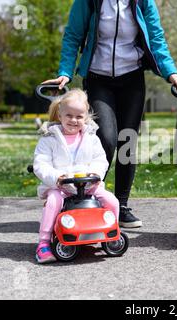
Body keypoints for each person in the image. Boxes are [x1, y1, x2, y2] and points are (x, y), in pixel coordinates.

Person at [42, 0, 177, 228]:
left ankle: (121, 206)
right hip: (98, 78)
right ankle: (84, 197)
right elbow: (72, 35)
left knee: (128, 142)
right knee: (107, 139)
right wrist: (65, 72)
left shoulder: (143, 1)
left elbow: (156, 37)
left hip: (132, 78)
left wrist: (170, 72)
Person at [33, 88, 119, 264]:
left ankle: (109, 233)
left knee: (112, 201)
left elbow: (100, 160)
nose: (74, 120)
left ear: (86, 117)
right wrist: (57, 177)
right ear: (60, 114)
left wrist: (95, 174)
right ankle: (43, 242)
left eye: (79, 116)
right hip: (61, 187)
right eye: (69, 115)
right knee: (53, 202)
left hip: (88, 186)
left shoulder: (92, 139)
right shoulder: (49, 139)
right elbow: (40, 165)